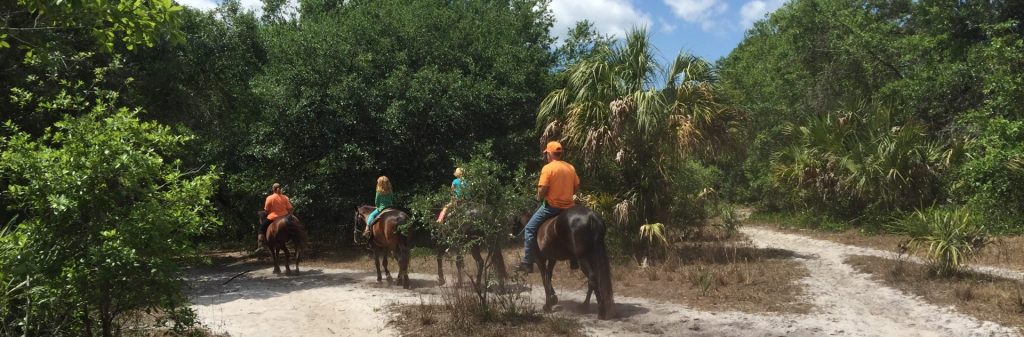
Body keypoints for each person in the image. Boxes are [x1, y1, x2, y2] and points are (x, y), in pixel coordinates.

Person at [518, 141, 579, 273]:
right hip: (569, 208)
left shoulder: (548, 168)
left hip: (552, 207)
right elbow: (576, 187)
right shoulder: (570, 167)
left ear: (550, 154)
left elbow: (543, 189)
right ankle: (574, 259)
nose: (546, 156)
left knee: (529, 229)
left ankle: (528, 262)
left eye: (547, 154)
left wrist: (540, 197)